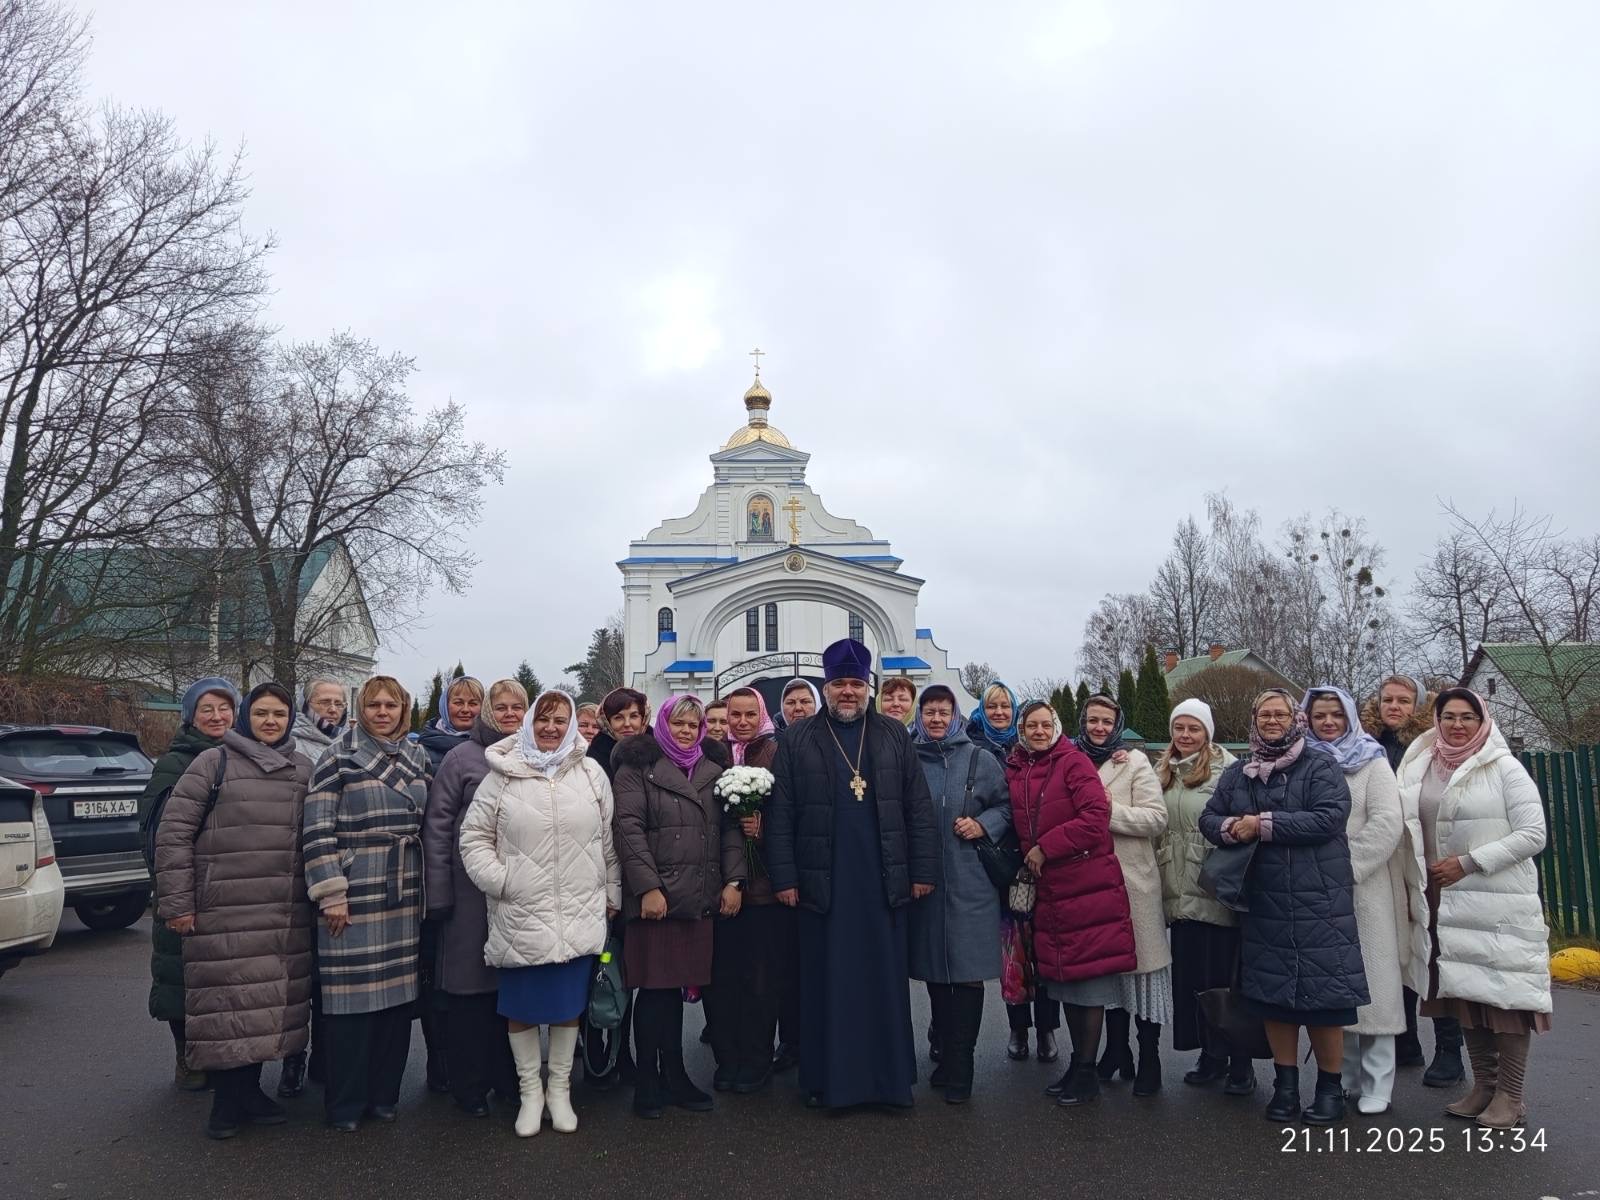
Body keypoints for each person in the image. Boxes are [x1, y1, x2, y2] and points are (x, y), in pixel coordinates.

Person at [766, 639, 938, 1110]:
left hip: (882, 879)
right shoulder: (797, 739)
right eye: (839, 683)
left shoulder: (892, 735)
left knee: (883, 980)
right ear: (826, 686)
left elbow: (917, 809)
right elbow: (781, 815)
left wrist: (922, 870)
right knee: (827, 982)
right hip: (824, 882)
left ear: (868, 688)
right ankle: (830, 1081)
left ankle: (888, 1081)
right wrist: (784, 878)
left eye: (855, 684)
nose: (847, 692)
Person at [1199, 688, 1368, 1125]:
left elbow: (1330, 816)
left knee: (1325, 1000)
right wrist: (1231, 827)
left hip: (1318, 900)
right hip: (1264, 901)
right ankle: (1286, 1085)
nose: (1272, 721)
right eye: (1264, 714)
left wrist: (1264, 824)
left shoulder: (1319, 764)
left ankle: (1329, 1088)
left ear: (1296, 719)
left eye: (1280, 714)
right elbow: (1209, 818)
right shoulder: (1240, 772)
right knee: (1274, 999)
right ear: (1253, 719)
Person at [155, 682, 314, 1140]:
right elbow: (174, 835)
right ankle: (227, 1100)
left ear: (290, 720)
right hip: (222, 909)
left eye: (279, 715)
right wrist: (178, 904)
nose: (270, 722)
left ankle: (248, 1092)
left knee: (265, 1006)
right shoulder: (214, 762)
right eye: (261, 713)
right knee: (226, 1006)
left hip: (281, 911)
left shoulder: (302, 769)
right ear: (247, 717)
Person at [460, 690, 621, 1136]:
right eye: (543, 719)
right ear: (530, 722)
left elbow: (607, 842)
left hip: (577, 910)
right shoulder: (503, 776)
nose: (551, 727)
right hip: (521, 913)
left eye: (560, 720)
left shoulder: (590, 773)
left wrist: (613, 893)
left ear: (571, 724)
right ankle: (530, 1093)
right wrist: (503, 881)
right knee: (523, 1008)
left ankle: (560, 1091)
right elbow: (473, 838)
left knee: (568, 1006)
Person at [1396, 687, 1551, 1129]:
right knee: (1463, 993)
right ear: (1437, 720)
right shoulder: (1421, 764)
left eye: (1467, 716)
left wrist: (1468, 863)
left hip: (1495, 900)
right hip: (1439, 899)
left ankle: (1511, 1096)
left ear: (1483, 721)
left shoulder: (1505, 769)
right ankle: (1483, 1085)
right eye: (1448, 716)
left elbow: (1532, 834)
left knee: (1506, 998)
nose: (1457, 724)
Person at [302, 676, 431, 1132]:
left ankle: (383, 1096)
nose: (382, 712)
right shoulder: (337, 755)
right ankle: (345, 1103)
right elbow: (317, 830)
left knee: (396, 1006)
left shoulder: (417, 757)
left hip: (403, 891)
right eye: (373, 704)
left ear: (403, 709)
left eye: (391, 705)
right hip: (354, 891)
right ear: (362, 707)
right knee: (349, 1006)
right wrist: (331, 891)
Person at [613, 696, 744, 1119]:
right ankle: (648, 1082)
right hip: (659, 901)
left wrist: (734, 880)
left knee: (676, 989)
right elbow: (628, 829)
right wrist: (648, 887)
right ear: (664, 725)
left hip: (698, 896)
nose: (687, 731)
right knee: (655, 993)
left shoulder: (712, 769)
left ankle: (675, 1075)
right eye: (679, 723)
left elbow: (729, 830)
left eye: (694, 724)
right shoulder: (638, 767)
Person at [1302, 686, 1428, 1116]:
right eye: (1319, 715)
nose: (1328, 722)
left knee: (1375, 982)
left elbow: (1386, 823)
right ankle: (1345, 1076)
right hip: (1316, 892)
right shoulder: (1303, 760)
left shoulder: (1371, 760)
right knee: (1336, 986)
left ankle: (1378, 1080)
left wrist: (1344, 867)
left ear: (1350, 716)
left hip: (1365, 886)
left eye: (1336, 713)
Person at [1007, 700, 1136, 1107]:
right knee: (1065, 980)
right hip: (1051, 890)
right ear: (1022, 729)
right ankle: (1077, 1066)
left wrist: (1047, 847)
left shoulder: (1073, 762)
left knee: (1089, 982)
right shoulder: (1018, 767)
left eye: (1047, 724)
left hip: (1086, 885)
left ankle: (1085, 1071)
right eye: (1032, 724)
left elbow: (1095, 815)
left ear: (1058, 727)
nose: (1040, 731)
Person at [421, 678, 528, 1117]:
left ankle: (506, 1078)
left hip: (520, 894)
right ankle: (468, 1085)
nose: (508, 714)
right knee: (470, 996)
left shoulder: (533, 755)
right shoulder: (462, 757)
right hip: (467, 897)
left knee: (512, 996)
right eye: (499, 707)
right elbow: (438, 826)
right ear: (487, 712)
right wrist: (439, 894)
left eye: (516, 707)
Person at [907, 685, 1010, 1103]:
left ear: (955, 716)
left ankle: (962, 1063)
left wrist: (983, 824)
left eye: (943, 712)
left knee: (966, 974)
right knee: (935, 970)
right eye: (929, 712)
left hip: (971, 881)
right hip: (927, 881)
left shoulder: (980, 759)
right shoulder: (909, 759)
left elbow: (1005, 806)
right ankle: (946, 1055)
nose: (935, 719)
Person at [140, 677, 241, 1092]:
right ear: (191, 717)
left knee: (219, 979)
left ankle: (219, 1058)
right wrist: (175, 891)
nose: (217, 717)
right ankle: (188, 1058)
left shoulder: (242, 757)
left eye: (224, 708)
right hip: (186, 888)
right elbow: (156, 835)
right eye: (207, 709)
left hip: (229, 890)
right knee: (179, 976)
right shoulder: (175, 763)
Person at [1362, 675, 1458, 1084]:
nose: (1394, 706)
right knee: (1392, 949)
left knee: (1434, 952)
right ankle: (1405, 1040)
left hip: (1423, 861)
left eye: (1404, 700)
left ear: (1419, 705)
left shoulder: (1431, 748)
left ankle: (1449, 1049)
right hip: (1383, 863)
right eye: (1388, 699)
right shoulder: (1365, 746)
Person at [1076, 695, 1171, 1097]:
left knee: (1143, 973)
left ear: (1118, 724)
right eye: (1092, 720)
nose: (1099, 727)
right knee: (1108, 972)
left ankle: (1149, 1055)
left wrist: (1109, 810)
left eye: (1106, 721)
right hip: (1091, 881)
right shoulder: (1073, 760)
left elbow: (1156, 818)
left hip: (1133, 882)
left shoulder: (1134, 762)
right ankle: (1116, 1051)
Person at [1156, 699, 1252, 1095]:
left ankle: (1240, 1062)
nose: (1185, 735)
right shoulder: (1163, 770)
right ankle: (1211, 1055)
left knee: (1225, 980)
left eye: (1194, 728)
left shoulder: (1228, 770)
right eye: (1179, 728)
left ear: (1208, 732)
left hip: (1212, 887)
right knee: (1193, 979)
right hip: (1177, 890)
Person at [705, 686, 788, 1093]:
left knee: (760, 979)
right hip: (719, 887)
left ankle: (756, 1059)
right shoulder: (710, 756)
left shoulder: (774, 753)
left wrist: (763, 828)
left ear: (761, 716)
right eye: (733, 715)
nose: (740, 722)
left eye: (748, 715)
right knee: (722, 978)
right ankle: (727, 1057)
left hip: (763, 890)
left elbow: (792, 810)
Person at [969, 680, 1056, 1061]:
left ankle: (1048, 1030)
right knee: (1013, 952)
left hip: (1043, 861)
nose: (1000, 713)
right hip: (1002, 863)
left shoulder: (1031, 750)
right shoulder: (973, 748)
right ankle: (1018, 1027)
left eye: (1006, 706)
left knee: (1047, 947)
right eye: (992, 707)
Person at [419, 676, 485, 772]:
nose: (465, 709)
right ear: (445, 706)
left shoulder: (492, 748)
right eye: (458, 703)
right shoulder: (421, 749)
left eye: (473, 704)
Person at [293, 678, 348, 767]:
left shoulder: (354, 744)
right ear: (305, 705)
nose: (333, 710)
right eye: (324, 702)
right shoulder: (290, 746)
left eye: (338, 704)